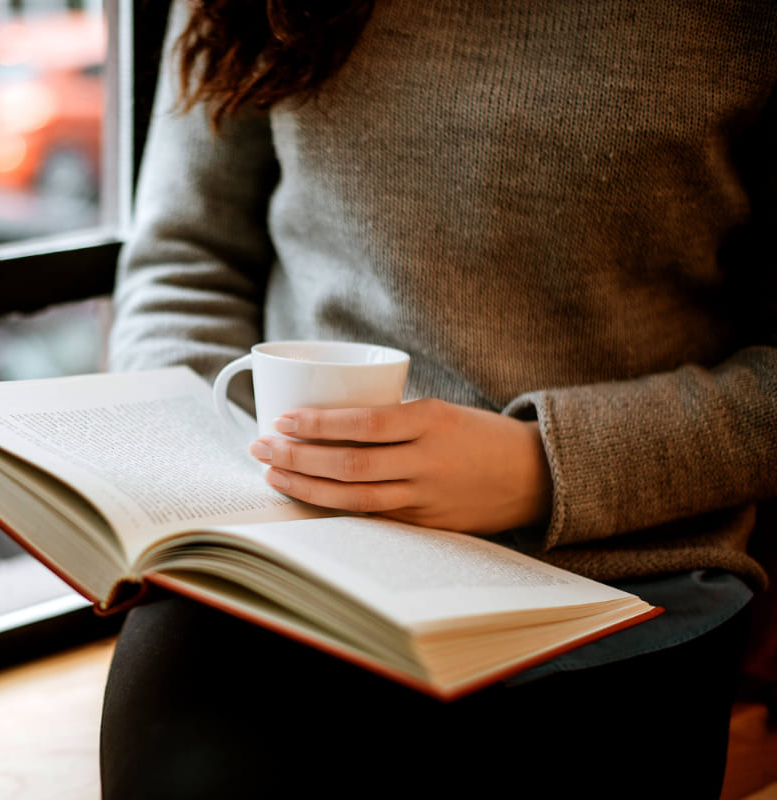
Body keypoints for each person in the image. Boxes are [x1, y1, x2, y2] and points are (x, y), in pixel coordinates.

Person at [101, 1, 777, 797]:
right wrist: (222, 482)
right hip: (284, 555)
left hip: (623, 581)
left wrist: (543, 466)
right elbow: (185, 259)